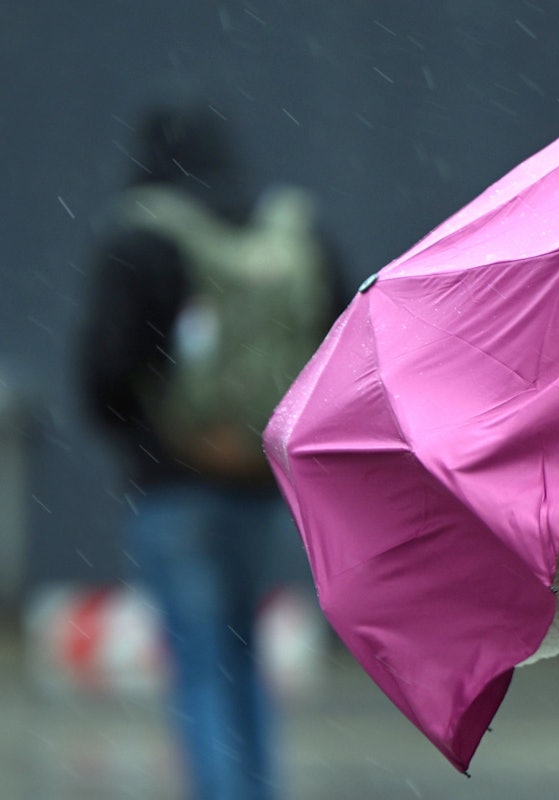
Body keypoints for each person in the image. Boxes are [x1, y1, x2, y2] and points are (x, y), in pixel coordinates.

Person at [78, 101, 347, 800]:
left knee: (198, 663)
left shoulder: (141, 238)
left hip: (173, 492)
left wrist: (158, 444)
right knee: (243, 656)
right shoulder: (289, 233)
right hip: (263, 486)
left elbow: (104, 373)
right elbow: (343, 345)